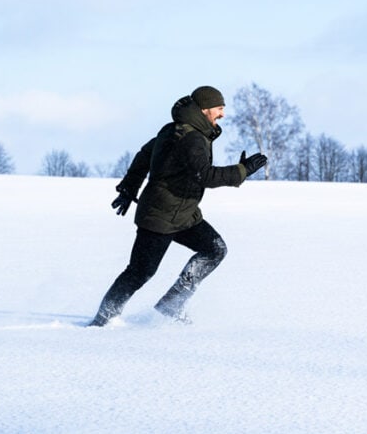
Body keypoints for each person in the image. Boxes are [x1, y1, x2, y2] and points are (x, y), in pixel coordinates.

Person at [88, 86, 267, 327]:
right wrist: (242, 171)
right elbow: (204, 175)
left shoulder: (177, 130)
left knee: (215, 249)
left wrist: (130, 188)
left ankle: (170, 306)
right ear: (204, 110)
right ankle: (102, 320)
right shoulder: (192, 137)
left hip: (182, 214)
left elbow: (144, 156)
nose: (222, 114)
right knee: (140, 272)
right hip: (161, 216)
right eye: (219, 108)